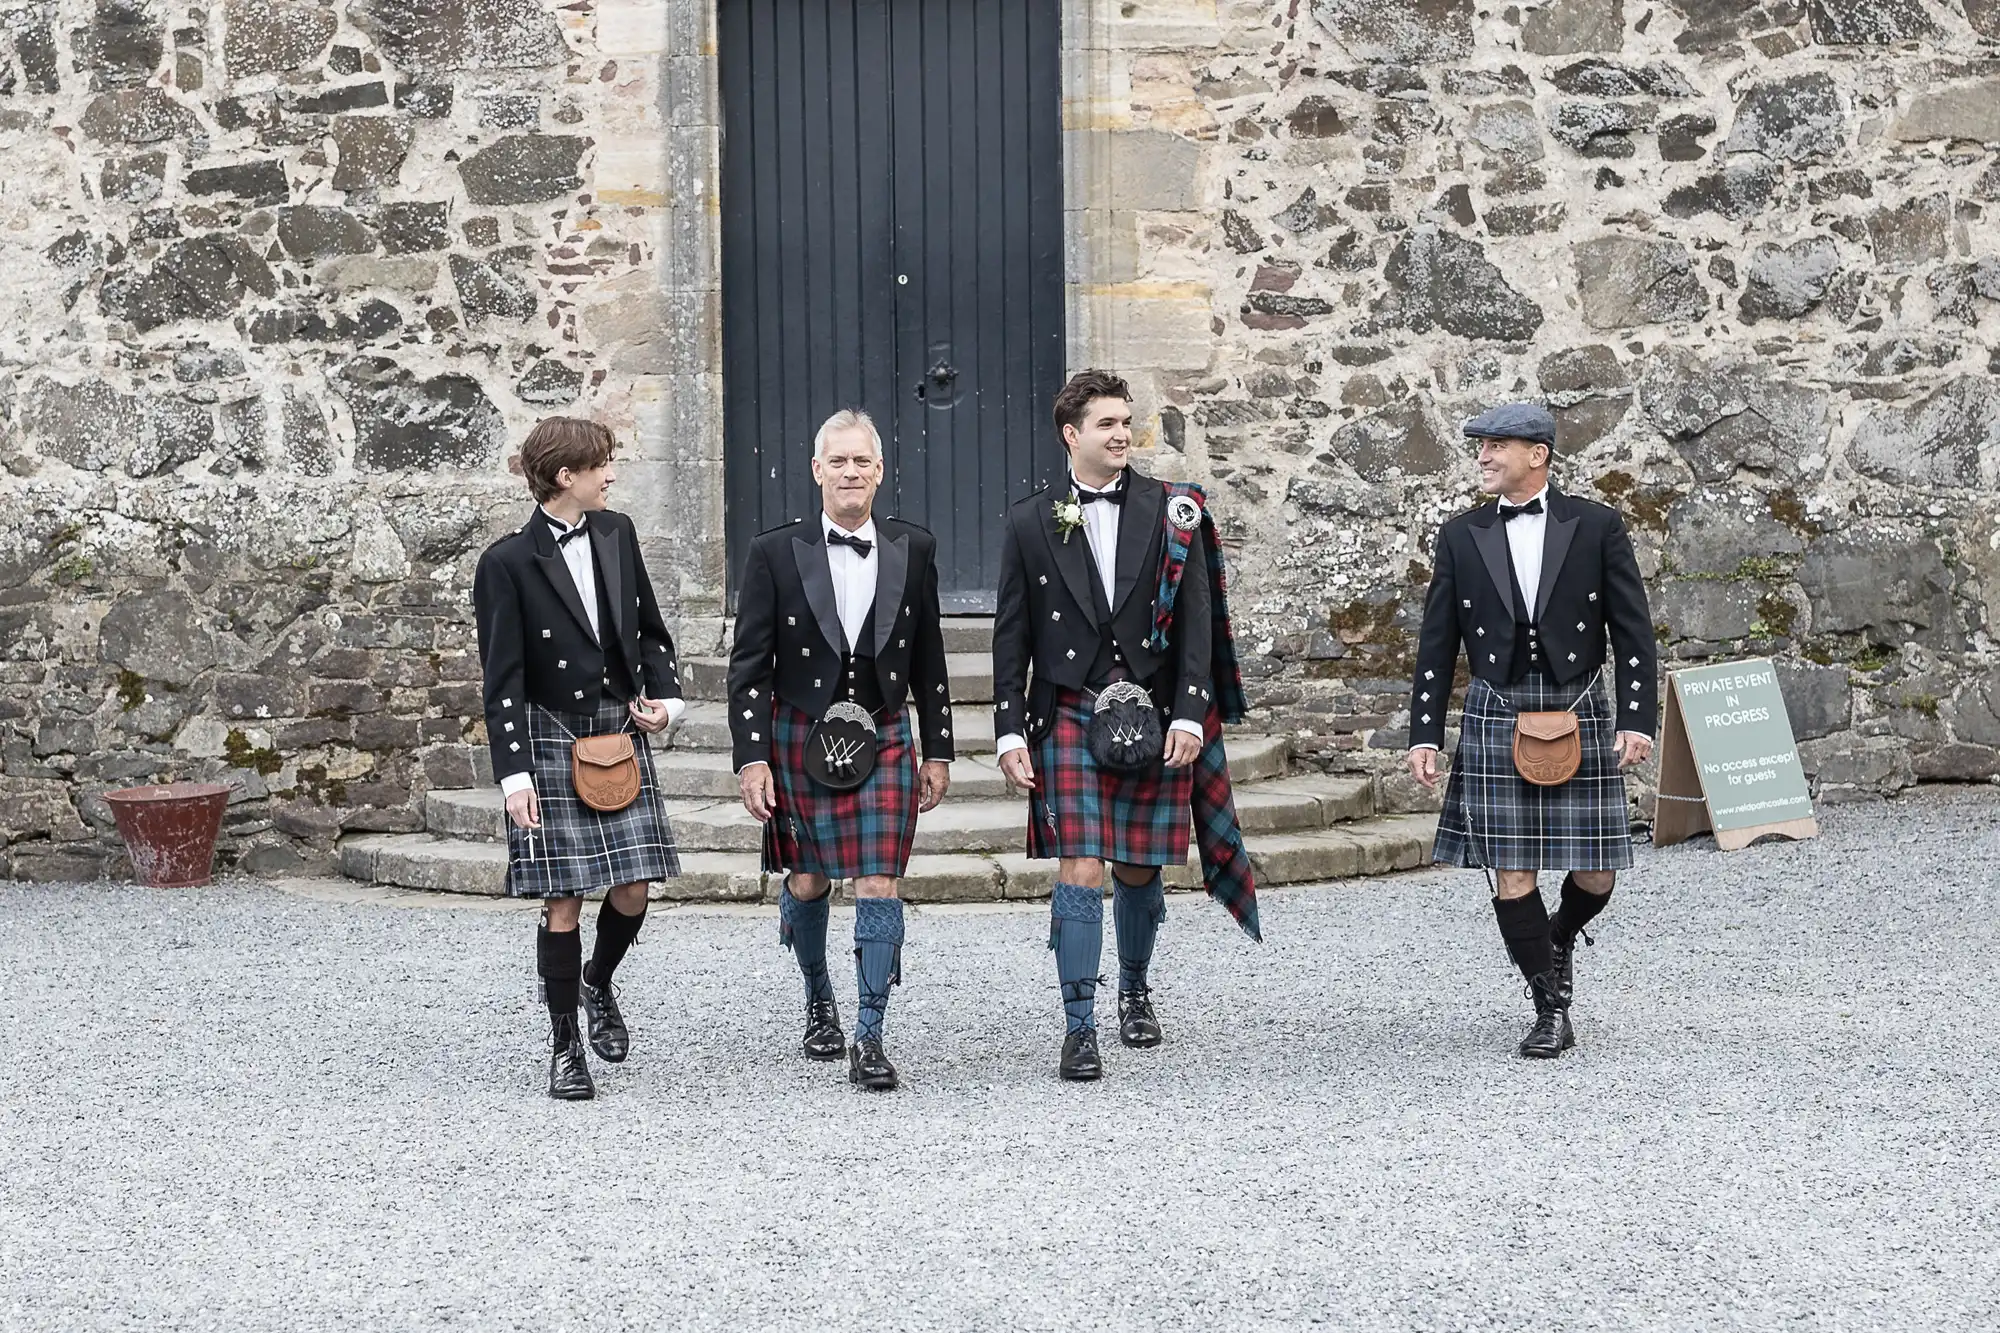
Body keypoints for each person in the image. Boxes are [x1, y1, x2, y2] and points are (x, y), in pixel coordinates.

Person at [992, 369, 1259, 1083]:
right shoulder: (1030, 519)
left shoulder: (1174, 512)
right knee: (1080, 861)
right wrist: (1009, 729)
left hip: (1148, 702)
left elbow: (1197, 623)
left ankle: (1134, 987)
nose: (1120, 434)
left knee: (1140, 866)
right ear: (1070, 434)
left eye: (1125, 421)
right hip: (1070, 709)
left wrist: (1191, 712)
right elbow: (1011, 634)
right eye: (1106, 423)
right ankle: (1079, 1024)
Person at [1406, 402, 1657, 1060]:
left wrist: (1636, 718)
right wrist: (1424, 731)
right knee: (1511, 872)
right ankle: (1550, 1004)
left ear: (1538, 453)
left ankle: (1559, 932)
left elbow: (1633, 630)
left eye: (1497, 445)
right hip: (1497, 705)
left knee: (1598, 870)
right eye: (1481, 445)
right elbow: (1438, 642)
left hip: (1577, 702)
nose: (1483, 456)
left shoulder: (1597, 525)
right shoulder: (1461, 536)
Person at [728, 409, 953, 1092]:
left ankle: (871, 1033)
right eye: (839, 462)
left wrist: (938, 747)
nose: (851, 472)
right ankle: (818, 993)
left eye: (863, 461)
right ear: (817, 470)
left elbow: (931, 659)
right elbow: (749, 666)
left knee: (880, 879)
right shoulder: (774, 552)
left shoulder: (914, 546)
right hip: (802, 733)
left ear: (880, 471)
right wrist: (752, 755)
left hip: (883, 732)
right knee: (808, 880)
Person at [472, 417, 685, 1100]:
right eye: (603, 464)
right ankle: (565, 1044)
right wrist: (513, 774)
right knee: (561, 899)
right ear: (567, 476)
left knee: (633, 886)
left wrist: (667, 701)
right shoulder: (505, 563)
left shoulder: (617, 534)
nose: (612, 475)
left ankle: (597, 979)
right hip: (549, 734)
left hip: (617, 730)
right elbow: (500, 679)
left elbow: (650, 631)